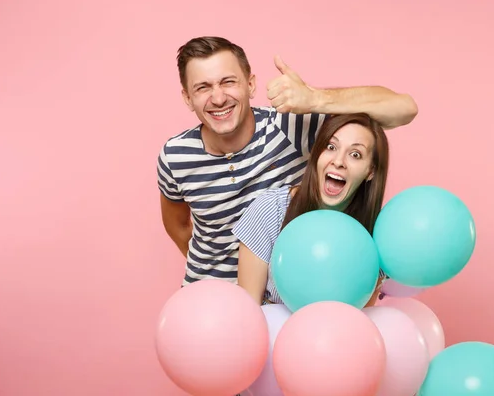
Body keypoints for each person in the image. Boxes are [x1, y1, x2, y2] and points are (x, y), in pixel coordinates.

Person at [157, 36, 417, 287]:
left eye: (228, 82)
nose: (218, 98)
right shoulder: (175, 156)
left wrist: (315, 99)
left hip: (281, 299)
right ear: (187, 98)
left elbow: (404, 109)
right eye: (203, 87)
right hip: (207, 301)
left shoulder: (290, 126)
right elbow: (179, 229)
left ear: (251, 85)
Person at [233, 113, 389, 306]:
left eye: (355, 154)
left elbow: (360, 316)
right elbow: (249, 311)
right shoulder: (270, 210)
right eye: (331, 147)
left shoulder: (377, 237)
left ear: (370, 171)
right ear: (317, 154)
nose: (338, 161)